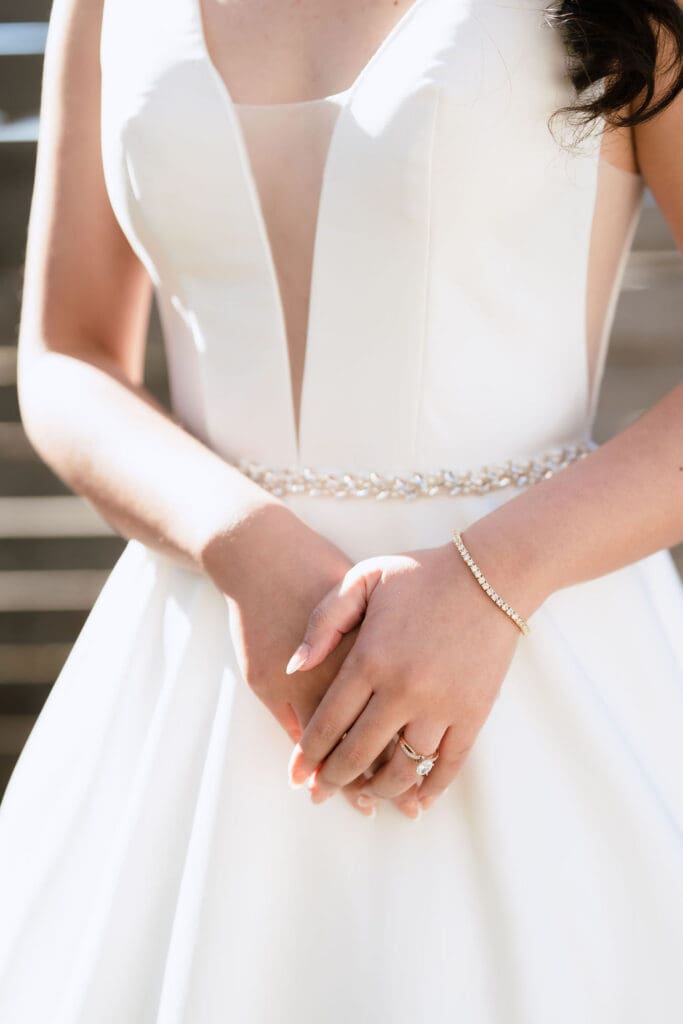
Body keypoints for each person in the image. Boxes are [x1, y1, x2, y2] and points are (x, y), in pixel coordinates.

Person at [1, 0, 683, 1019]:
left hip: (542, 659)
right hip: (203, 669)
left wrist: (492, 579)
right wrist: (240, 543)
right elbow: (66, 354)